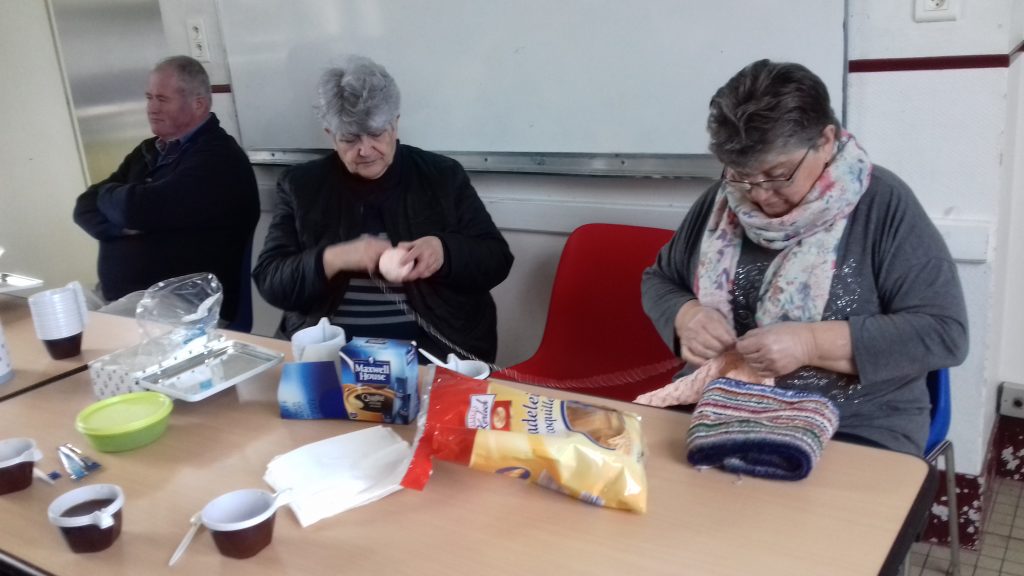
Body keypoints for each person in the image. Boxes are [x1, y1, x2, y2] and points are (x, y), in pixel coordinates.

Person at [642, 59, 968, 455]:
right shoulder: (722, 202)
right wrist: (687, 315)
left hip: (853, 424)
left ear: (826, 141)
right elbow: (660, 279)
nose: (758, 195)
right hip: (719, 407)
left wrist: (811, 343)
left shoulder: (883, 204)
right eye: (741, 175)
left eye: (778, 174)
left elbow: (944, 333)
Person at [253, 55, 513, 363]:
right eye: (349, 139)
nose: (365, 150)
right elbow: (271, 281)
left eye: (376, 134)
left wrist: (444, 251)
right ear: (330, 136)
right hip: (332, 352)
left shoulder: (442, 176)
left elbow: (496, 260)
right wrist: (335, 258)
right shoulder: (301, 185)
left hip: (431, 350)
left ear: (395, 124)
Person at [73, 55, 259, 324]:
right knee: (56, 317)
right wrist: (120, 226)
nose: (151, 108)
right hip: (122, 299)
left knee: (89, 336)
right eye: (149, 98)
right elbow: (84, 206)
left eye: (162, 99)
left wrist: (113, 200)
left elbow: (137, 210)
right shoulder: (148, 151)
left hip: (184, 307)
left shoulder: (220, 159)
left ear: (198, 104)